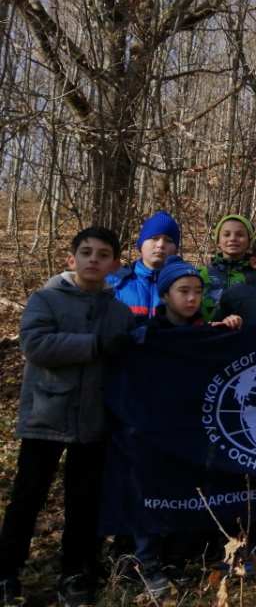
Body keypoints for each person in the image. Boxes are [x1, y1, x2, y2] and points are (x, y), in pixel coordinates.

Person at [0, 227, 135, 607]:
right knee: (28, 497)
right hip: (46, 415)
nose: (94, 260)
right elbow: (36, 345)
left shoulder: (120, 313)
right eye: (86, 252)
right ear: (71, 259)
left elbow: (131, 358)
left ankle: (76, 571)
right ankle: (6, 572)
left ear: (115, 265)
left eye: (103, 254)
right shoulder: (45, 299)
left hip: (94, 420)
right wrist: (95, 344)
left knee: (84, 500)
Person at [130, 256, 240, 598]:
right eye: (183, 291)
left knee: (189, 489)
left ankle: (176, 556)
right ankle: (147, 560)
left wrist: (228, 332)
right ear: (165, 295)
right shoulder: (146, 334)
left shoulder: (205, 333)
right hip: (153, 428)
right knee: (151, 491)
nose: (192, 298)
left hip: (193, 428)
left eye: (197, 291)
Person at [108, 211, 180, 323]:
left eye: (169, 240)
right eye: (154, 238)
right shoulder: (114, 282)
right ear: (140, 245)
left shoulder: (185, 285)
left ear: (175, 249)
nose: (160, 245)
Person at [199, 213, 256, 322]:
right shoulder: (200, 274)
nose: (233, 238)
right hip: (205, 331)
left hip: (246, 331)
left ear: (249, 241)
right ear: (218, 242)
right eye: (226, 234)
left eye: (240, 234)